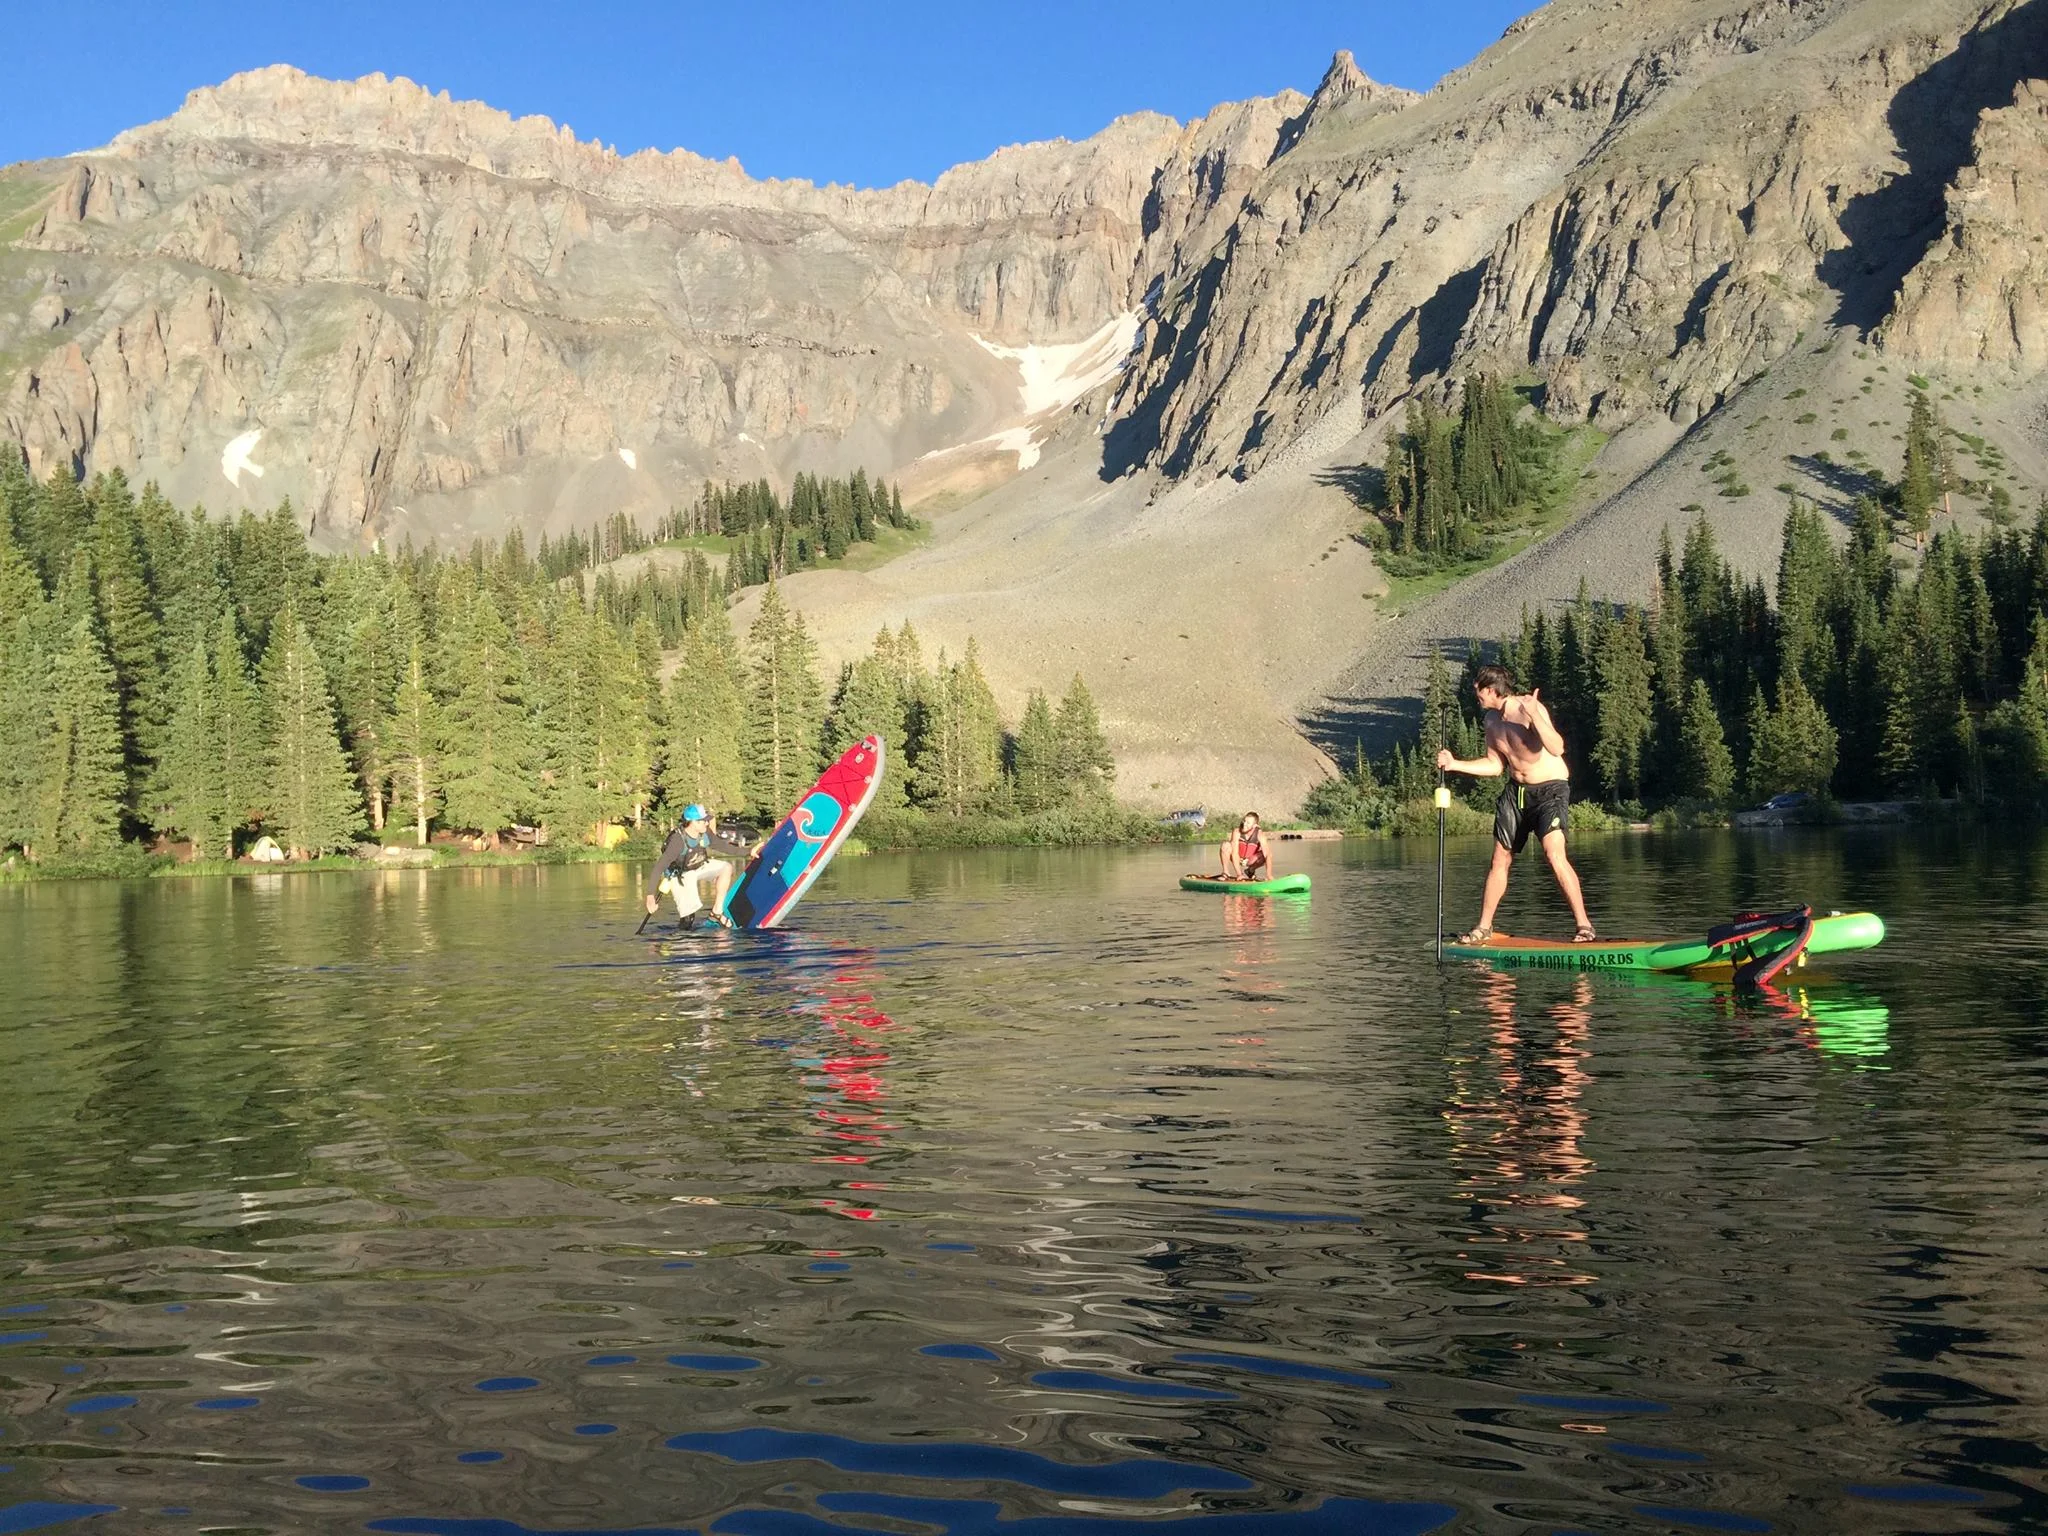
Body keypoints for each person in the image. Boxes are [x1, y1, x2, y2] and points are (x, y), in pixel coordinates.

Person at [1436, 664, 1596, 943]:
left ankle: (1584, 926)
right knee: (1499, 858)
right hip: (1517, 792)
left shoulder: (1528, 708)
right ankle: (1483, 927)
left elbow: (1557, 747)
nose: (1477, 697)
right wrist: (1455, 764)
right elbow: (1495, 765)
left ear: (1489, 689)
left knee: (1553, 854)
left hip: (1550, 790)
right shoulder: (1490, 721)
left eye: (1478, 691)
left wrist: (1536, 716)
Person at [644, 805, 751, 928]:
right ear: (693, 822)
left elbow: (722, 846)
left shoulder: (705, 832)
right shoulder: (677, 841)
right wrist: (650, 895)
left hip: (699, 866)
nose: (707, 823)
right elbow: (659, 867)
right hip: (680, 875)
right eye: (703, 820)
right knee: (688, 919)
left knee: (726, 868)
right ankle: (683, 941)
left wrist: (749, 852)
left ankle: (716, 913)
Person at [1218, 811, 1276, 882]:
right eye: (1244, 821)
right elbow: (1234, 853)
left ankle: (1250, 870)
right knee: (1225, 845)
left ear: (1254, 825)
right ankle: (1225, 873)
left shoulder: (1260, 835)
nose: (1244, 824)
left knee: (1266, 854)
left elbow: (1268, 855)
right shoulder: (1237, 832)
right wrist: (1239, 874)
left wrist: (1269, 875)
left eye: (1248, 823)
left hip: (1250, 860)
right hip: (1238, 858)